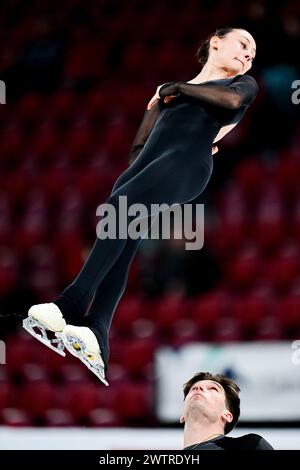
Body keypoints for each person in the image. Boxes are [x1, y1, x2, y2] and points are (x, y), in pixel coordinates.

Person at [23, 27, 259, 385]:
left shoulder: (240, 86)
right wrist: (169, 95)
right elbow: (141, 143)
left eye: (252, 53)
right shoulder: (167, 92)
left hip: (188, 166)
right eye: (242, 45)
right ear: (216, 43)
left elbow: (228, 105)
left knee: (119, 210)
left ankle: (70, 304)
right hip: (147, 168)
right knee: (124, 237)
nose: (248, 55)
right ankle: (97, 331)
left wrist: (176, 89)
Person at [181, 371, 274, 450]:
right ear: (182, 416)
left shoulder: (250, 445)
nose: (198, 388)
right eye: (193, 388)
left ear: (227, 415)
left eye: (213, 388)